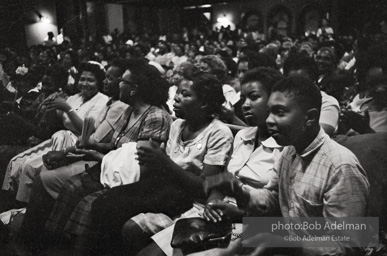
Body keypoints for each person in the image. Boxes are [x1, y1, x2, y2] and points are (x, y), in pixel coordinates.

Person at [142, 67, 284, 256]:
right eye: (244, 98)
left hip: (253, 224)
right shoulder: (243, 135)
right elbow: (222, 179)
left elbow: (283, 217)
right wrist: (213, 203)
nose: (245, 105)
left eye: (254, 97)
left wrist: (240, 215)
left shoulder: (287, 149)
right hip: (221, 212)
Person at [90, 71, 233, 255]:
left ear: (204, 103)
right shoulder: (177, 125)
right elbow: (161, 171)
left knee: (114, 210)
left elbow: (205, 187)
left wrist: (163, 162)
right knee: (103, 203)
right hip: (166, 188)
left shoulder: (218, 132)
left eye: (186, 94)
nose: (177, 98)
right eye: (178, 92)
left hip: (187, 198)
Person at [36, 60, 172, 254]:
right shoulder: (129, 110)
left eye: (123, 81)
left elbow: (139, 166)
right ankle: (56, 246)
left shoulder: (155, 116)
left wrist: (97, 156)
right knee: (72, 187)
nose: (118, 84)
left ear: (135, 89)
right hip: (111, 169)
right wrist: (92, 145)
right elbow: (115, 146)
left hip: (131, 181)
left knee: (87, 205)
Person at [236, 76, 369, 255]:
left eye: (279, 112)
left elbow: (346, 246)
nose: (269, 120)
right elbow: (272, 197)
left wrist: (283, 243)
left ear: (310, 117)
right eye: (269, 112)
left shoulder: (341, 167)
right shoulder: (289, 151)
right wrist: (237, 191)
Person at [2, 62, 109, 203]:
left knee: (37, 169)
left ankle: (29, 206)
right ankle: (16, 203)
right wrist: (48, 106)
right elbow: (58, 118)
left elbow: (87, 130)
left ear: (98, 83)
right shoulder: (75, 97)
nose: (85, 83)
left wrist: (66, 108)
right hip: (59, 137)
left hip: (78, 143)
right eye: (82, 79)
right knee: (25, 165)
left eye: (90, 80)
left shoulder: (102, 100)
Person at [283, 54, 340, 137]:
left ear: (314, 81)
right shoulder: (282, 101)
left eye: (303, 83)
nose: (297, 88)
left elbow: (318, 137)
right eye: (291, 83)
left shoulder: (327, 103)